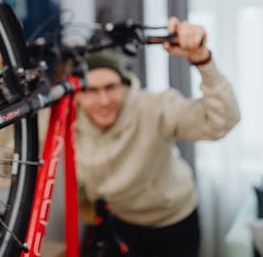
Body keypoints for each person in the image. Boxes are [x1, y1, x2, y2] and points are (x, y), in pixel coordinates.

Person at [75, 17, 240, 257]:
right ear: (78, 94)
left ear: (126, 84)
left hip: (172, 223)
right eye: (91, 90)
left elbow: (222, 120)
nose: (103, 100)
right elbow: (10, 145)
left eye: (110, 87)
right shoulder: (68, 121)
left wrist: (202, 59)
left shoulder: (154, 107)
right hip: (121, 221)